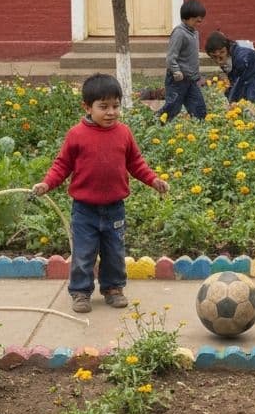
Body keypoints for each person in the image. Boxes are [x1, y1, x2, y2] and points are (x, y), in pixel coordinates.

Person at [32, 73, 168, 313]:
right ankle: (81, 292)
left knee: (114, 252)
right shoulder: (76, 135)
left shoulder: (123, 133)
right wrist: (46, 184)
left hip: (115, 207)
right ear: (87, 107)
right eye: (103, 107)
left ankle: (113, 288)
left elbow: (136, 163)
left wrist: (153, 180)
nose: (111, 112)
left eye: (115, 106)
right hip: (84, 209)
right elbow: (62, 165)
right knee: (84, 254)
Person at [163, 0, 207, 121]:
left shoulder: (194, 33)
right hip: (178, 80)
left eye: (200, 20)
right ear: (185, 18)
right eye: (196, 20)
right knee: (172, 108)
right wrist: (176, 71)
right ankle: (156, 124)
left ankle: (200, 132)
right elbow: (171, 57)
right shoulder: (179, 33)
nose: (199, 22)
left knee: (199, 109)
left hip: (191, 80)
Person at [205, 30, 255, 104]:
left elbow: (239, 84)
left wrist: (232, 100)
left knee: (249, 105)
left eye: (221, 55)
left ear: (225, 50)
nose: (218, 61)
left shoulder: (242, 58)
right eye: (214, 57)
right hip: (249, 82)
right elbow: (233, 81)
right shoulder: (228, 57)